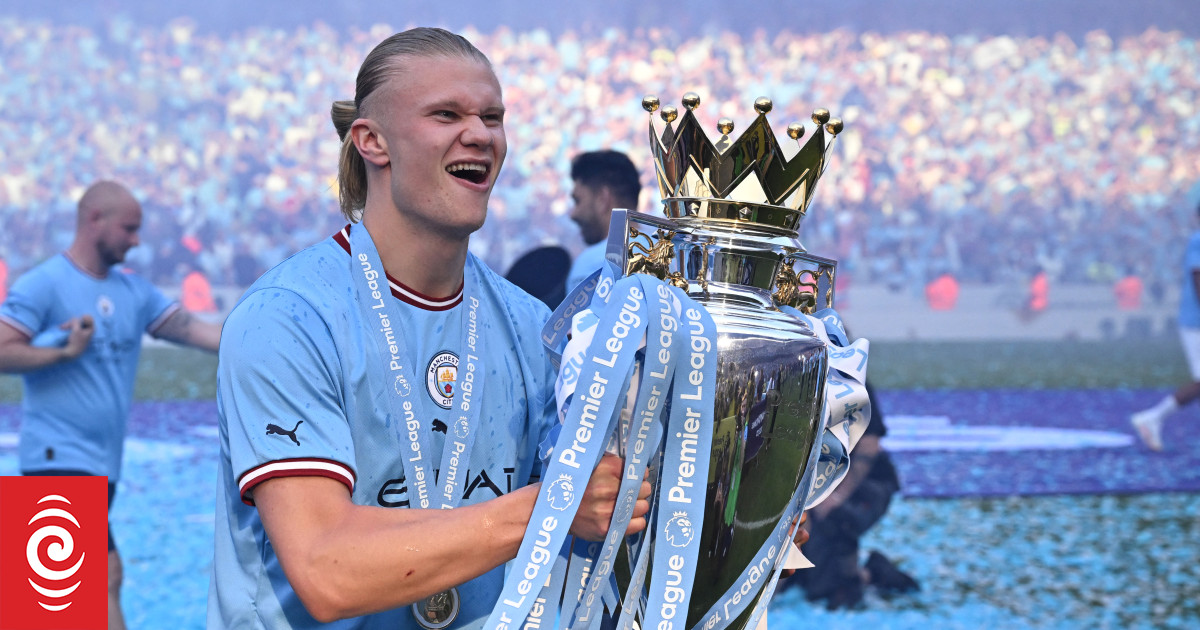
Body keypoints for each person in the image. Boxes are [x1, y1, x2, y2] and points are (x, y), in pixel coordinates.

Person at [209, 28, 652, 628]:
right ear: (372, 141)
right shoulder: (288, 317)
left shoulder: (534, 327)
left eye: (492, 117)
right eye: (447, 114)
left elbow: (594, 527)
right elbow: (326, 570)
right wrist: (553, 505)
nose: (481, 134)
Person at [0, 180, 223, 630]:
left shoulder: (134, 292)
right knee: (99, 578)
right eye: (129, 229)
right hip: (55, 455)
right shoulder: (45, 284)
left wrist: (265, 338)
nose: (137, 241)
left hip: (103, 464)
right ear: (94, 220)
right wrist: (61, 353)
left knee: (56, 601)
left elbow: (193, 330)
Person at [780, 383, 918, 610]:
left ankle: (870, 577)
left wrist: (835, 496)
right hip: (817, 482)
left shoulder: (850, 379)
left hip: (866, 481)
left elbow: (870, 446)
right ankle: (850, 576)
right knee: (804, 570)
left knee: (833, 526)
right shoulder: (784, 380)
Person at [1131, 202, 1200, 451]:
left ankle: (1153, 418)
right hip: (1196, 322)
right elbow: (1198, 278)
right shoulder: (1198, 241)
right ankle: (1153, 418)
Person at [565, 150, 642, 291]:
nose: (573, 214)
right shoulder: (672, 255)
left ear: (602, 199)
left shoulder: (591, 264)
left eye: (578, 201)